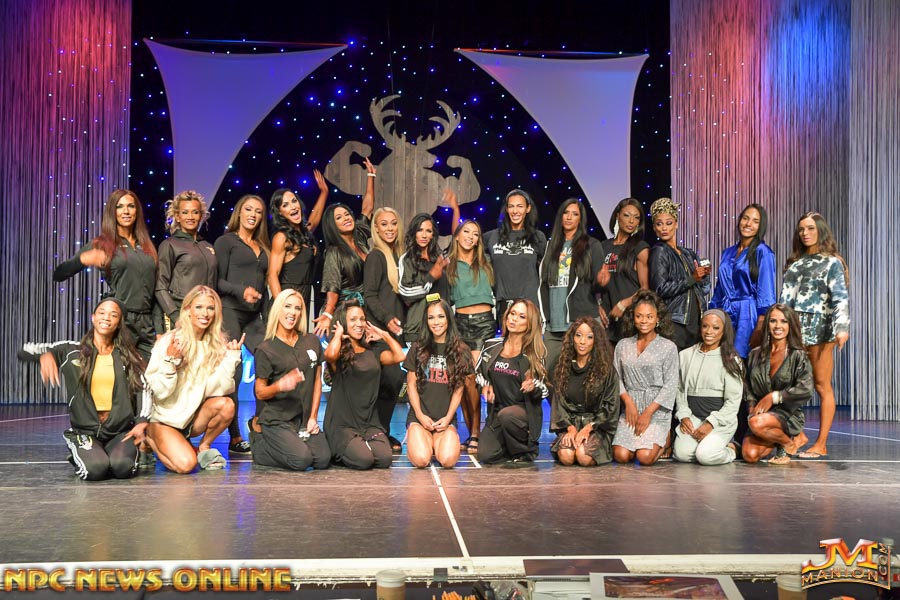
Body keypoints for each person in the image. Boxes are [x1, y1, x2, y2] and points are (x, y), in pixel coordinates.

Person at [19, 298, 150, 480]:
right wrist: (45, 354)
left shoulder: (129, 356)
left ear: (119, 323)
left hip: (119, 430)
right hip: (85, 431)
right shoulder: (71, 349)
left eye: (113, 315)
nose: (106, 318)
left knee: (123, 468)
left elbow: (144, 388)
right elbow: (24, 350)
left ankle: (103, 454)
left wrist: (142, 421)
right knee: (95, 470)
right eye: (102, 312)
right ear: (93, 317)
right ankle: (83, 450)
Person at [144, 286, 244, 473]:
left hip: (190, 419)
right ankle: (150, 436)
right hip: (164, 420)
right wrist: (170, 361)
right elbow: (159, 391)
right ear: (187, 310)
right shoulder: (170, 341)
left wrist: (231, 359)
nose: (205, 313)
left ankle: (204, 446)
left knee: (227, 405)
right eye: (199, 307)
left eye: (210, 308)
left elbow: (218, 389)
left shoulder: (216, 344)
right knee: (186, 465)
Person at [53, 189, 158, 358]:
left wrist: (159, 328)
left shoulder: (146, 244)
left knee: (152, 373)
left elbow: (155, 290)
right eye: (119, 207)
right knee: (118, 373)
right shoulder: (103, 243)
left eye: (131, 206)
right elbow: (59, 274)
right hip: (120, 322)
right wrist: (83, 260)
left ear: (137, 211)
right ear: (112, 212)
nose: (126, 211)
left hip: (146, 325)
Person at [780, 212, 849, 460]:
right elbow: (785, 301)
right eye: (801, 229)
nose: (805, 233)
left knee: (821, 384)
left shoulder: (832, 262)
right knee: (788, 384)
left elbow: (840, 297)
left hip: (821, 329)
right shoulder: (795, 263)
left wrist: (841, 328)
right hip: (795, 329)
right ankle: (798, 436)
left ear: (820, 230)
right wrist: (779, 328)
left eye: (810, 228)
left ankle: (821, 443)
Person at [214, 194, 271, 455]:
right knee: (233, 374)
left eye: (258, 211)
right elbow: (217, 281)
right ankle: (235, 436)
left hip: (254, 317)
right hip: (230, 312)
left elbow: (264, 286)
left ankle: (257, 422)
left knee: (269, 361)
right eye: (248, 209)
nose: (253, 215)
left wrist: (269, 318)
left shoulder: (262, 245)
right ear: (239, 212)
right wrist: (241, 291)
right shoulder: (226, 241)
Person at [250, 289, 331, 471]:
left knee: (322, 459)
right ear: (278, 309)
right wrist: (279, 385)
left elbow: (317, 382)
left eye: (297, 308)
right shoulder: (266, 349)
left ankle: (295, 443)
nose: (292, 312)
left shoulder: (311, 341)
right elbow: (260, 392)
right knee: (301, 460)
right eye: (287, 306)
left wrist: (313, 418)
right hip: (277, 420)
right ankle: (259, 445)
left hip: (303, 421)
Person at [323, 299, 406, 469]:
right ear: (343, 323)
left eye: (362, 319)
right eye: (353, 319)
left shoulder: (373, 351)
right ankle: (338, 448)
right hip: (343, 424)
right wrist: (338, 335)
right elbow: (329, 355)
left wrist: (384, 335)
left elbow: (399, 356)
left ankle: (358, 445)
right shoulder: (340, 352)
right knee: (364, 460)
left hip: (369, 423)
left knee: (384, 459)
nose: (359, 324)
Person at [538, 198, 608, 370]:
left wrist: (601, 282)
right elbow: (543, 283)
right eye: (566, 213)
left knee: (585, 373)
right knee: (551, 373)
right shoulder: (550, 246)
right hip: (554, 325)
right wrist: (544, 318)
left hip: (580, 320)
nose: (569, 217)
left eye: (575, 214)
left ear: (580, 219)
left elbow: (598, 286)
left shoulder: (592, 245)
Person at [403, 297, 474, 468]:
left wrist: (448, 418)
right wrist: (420, 416)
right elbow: (411, 385)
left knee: (448, 460)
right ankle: (418, 439)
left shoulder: (461, 350)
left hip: (445, 420)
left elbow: (459, 389)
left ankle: (437, 441)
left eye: (441, 316)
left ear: (448, 319)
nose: (436, 322)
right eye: (431, 317)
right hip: (420, 418)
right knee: (421, 460)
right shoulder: (417, 348)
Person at [476, 299, 548, 464]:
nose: (514, 319)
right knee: (485, 455)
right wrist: (485, 386)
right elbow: (477, 374)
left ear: (530, 323)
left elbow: (544, 390)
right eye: (512, 313)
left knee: (508, 415)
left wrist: (533, 386)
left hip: (522, 413)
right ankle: (509, 446)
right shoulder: (490, 345)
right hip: (497, 412)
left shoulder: (535, 353)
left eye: (522, 316)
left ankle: (526, 450)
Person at [611, 290, 679, 466]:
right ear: (633, 318)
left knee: (644, 457)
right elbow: (616, 377)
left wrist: (648, 413)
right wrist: (628, 402)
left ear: (658, 319)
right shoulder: (623, 345)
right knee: (621, 455)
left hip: (656, 409)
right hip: (631, 407)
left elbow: (671, 385)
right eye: (639, 316)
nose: (644, 321)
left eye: (649, 317)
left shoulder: (668, 347)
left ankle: (665, 440)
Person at [446, 218, 496, 454]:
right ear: (457, 235)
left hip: (484, 324)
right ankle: (471, 433)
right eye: (466, 232)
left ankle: (476, 433)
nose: (470, 237)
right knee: (464, 382)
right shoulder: (449, 265)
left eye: (475, 234)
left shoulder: (486, 261)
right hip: (460, 324)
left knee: (473, 379)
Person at [741, 304, 814, 465]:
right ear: (767, 324)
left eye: (784, 321)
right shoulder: (755, 354)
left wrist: (774, 397)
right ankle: (781, 437)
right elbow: (748, 388)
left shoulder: (798, 355)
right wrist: (752, 408)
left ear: (790, 325)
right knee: (750, 455)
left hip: (788, 414)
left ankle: (788, 443)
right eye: (773, 321)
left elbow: (806, 389)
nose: (778, 326)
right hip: (761, 414)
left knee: (756, 423)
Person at [673, 309, 744, 466]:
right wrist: (684, 416)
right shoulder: (685, 355)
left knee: (705, 456)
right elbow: (680, 390)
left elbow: (733, 401)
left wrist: (711, 423)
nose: (709, 331)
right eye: (705, 326)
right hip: (693, 418)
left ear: (724, 331)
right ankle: (706, 446)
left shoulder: (731, 359)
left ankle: (732, 449)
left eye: (715, 327)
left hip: (719, 422)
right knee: (682, 454)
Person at [314, 159, 376, 337]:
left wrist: (371, 175)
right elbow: (332, 286)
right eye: (339, 217)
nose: (346, 218)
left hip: (364, 309)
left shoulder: (359, 236)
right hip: (344, 311)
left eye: (347, 214)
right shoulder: (334, 251)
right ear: (332, 225)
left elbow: (367, 208)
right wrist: (328, 314)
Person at [363, 206, 407, 453]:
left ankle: (381, 431)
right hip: (378, 333)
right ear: (376, 229)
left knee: (393, 381)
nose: (389, 228)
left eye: (393, 223)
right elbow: (369, 295)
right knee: (387, 380)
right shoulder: (376, 257)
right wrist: (387, 319)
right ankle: (376, 432)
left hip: (395, 334)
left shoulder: (400, 257)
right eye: (384, 224)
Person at [549, 317, 620, 466]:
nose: (582, 341)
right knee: (567, 456)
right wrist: (570, 428)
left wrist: (589, 428)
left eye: (589, 337)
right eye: (578, 335)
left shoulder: (606, 370)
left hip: (596, 426)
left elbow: (611, 406)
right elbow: (558, 403)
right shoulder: (562, 367)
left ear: (596, 341)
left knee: (583, 456)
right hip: (571, 423)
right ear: (572, 338)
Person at [709, 203, 777, 358]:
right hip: (725, 312)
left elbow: (766, 291)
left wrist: (761, 324)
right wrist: (713, 311)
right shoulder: (727, 252)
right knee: (722, 359)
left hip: (749, 315)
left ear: (760, 227)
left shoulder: (763, 252)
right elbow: (720, 288)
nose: (748, 224)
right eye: (745, 218)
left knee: (743, 359)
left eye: (755, 221)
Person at [266, 170, 329, 323]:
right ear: (280, 213)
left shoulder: (304, 233)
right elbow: (272, 275)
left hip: (303, 299)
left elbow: (315, 218)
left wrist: (324, 192)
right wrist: (282, 307)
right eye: (285, 205)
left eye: (294, 201)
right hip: (286, 300)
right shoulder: (282, 237)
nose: (293, 207)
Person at [648, 197, 710, 350]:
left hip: (695, 320)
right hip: (675, 322)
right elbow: (660, 289)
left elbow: (704, 289)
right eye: (659, 224)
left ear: (676, 224)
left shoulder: (687, 253)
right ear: (654, 228)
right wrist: (692, 278)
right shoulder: (659, 251)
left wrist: (704, 275)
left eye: (668, 223)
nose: (664, 228)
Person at [156, 190, 217, 330]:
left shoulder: (208, 246)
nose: (190, 217)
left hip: (206, 316)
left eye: (195, 212)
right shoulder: (170, 244)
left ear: (201, 216)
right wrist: (175, 316)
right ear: (177, 216)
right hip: (182, 314)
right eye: (185, 212)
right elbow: (160, 286)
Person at [483, 189, 546, 309]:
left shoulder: (538, 237)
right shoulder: (492, 236)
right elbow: (465, 245)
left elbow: (546, 269)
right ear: (506, 209)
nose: (515, 211)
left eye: (520, 206)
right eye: (511, 206)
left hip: (530, 305)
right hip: (503, 305)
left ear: (528, 208)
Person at [599, 198, 650, 344]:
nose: (631, 221)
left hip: (630, 319)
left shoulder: (640, 248)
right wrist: (597, 305)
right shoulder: (603, 246)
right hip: (607, 321)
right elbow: (595, 282)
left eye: (636, 217)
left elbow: (645, 288)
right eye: (627, 215)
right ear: (617, 216)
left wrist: (624, 304)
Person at [398, 211, 452, 343]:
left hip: (442, 329)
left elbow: (446, 295)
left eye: (428, 231)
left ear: (433, 235)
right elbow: (405, 293)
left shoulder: (439, 259)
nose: (424, 235)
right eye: (420, 230)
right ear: (414, 233)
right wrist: (431, 277)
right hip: (418, 330)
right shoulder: (407, 259)